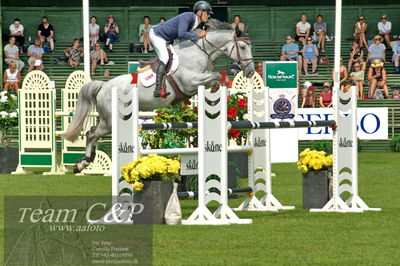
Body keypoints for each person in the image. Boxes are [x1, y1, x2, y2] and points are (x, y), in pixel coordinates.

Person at [149, 1, 211, 97]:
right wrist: (198, 35)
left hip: (168, 39)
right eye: (207, 13)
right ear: (199, 12)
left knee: (176, 57)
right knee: (165, 58)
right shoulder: (188, 16)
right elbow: (181, 34)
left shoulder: (195, 23)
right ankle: (158, 89)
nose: (208, 16)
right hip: (158, 35)